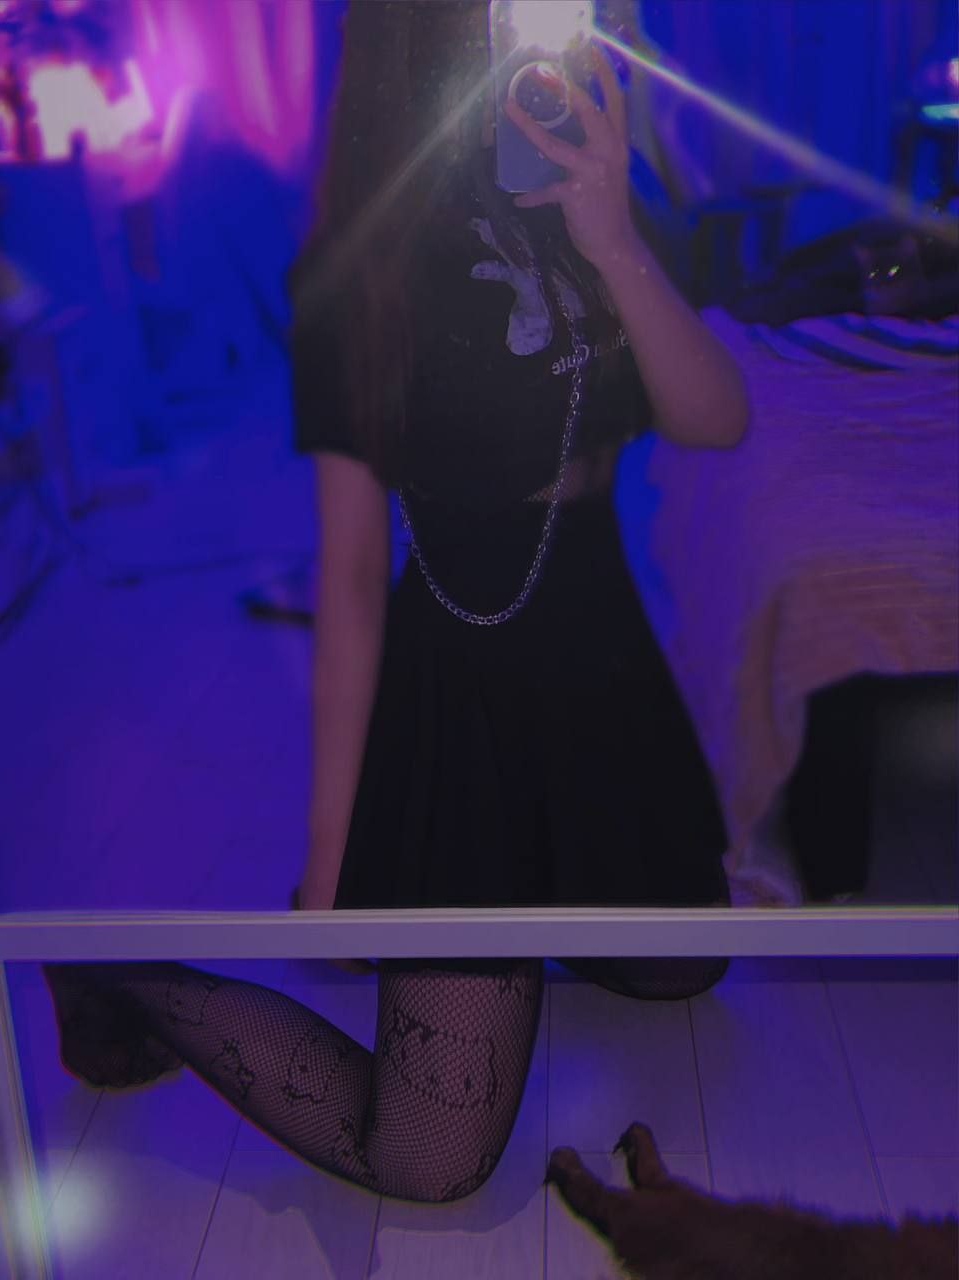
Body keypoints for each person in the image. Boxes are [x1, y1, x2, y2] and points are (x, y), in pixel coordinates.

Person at [44, 1, 748, 1205]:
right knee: (428, 1156)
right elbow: (353, 574)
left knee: (683, 968)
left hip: (603, 662)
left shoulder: (588, 181)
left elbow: (715, 416)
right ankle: (124, 975)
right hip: (464, 678)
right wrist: (332, 865)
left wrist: (615, 234)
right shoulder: (362, 265)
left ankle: (522, 914)